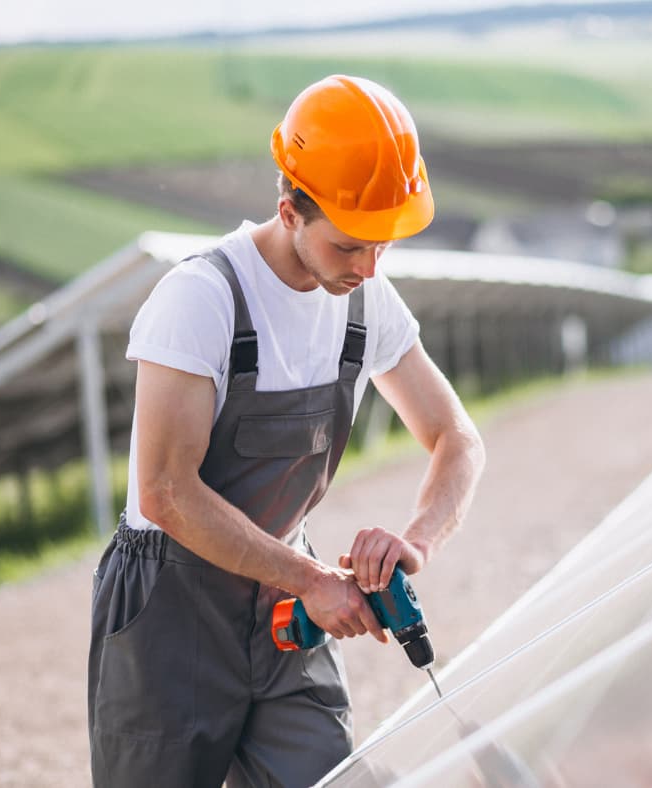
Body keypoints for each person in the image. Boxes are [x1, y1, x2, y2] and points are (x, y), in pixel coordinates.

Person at [87, 75, 486, 788]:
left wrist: (416, 541)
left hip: (280, 609)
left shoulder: (368, 302)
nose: (366, 269)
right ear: (289, 210)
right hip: (170, 613)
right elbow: (167, 492)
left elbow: (457, 439)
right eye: (348, 248)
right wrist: (308, 580)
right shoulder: (201, 300)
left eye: (381, 249)